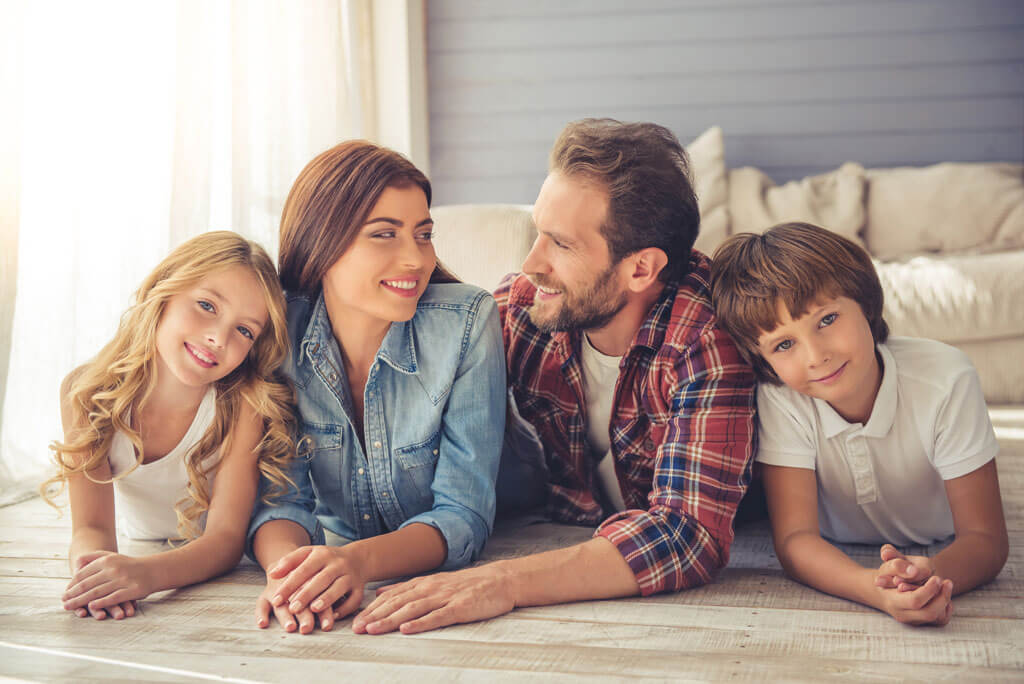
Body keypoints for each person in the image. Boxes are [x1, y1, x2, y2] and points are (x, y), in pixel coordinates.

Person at [347, 119, 757, 635]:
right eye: (537, 232)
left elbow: (686, 533)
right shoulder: (527, 307)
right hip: (561, 525)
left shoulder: (706, 338)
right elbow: (419, 352)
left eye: (560, 245)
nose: (530, 263)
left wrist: (503, 583)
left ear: (641, 269)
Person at [248, 141, 506, 634]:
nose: (415, 259)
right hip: (336, 555)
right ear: (321, 243)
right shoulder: (277, 331)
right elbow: (281, 501)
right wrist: (291, 579)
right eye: (384, 234)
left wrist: (358, 564)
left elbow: (462, 514)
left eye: (423, 234)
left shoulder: (467, 322)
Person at [709, 221, 1008, 625]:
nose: (816, 356)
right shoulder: (781, 396)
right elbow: (796, 539)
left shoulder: (946, 379)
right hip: (835, 547)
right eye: (784, 344)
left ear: (864, 303)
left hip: (939, 540)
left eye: (827, 320)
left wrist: (929, 577)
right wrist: (875, 590)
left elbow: (986, 540)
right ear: (765, 361)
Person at [45, 231, 297, 621]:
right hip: (138, 547)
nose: (217, 337)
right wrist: (94, 573)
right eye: (206, 306)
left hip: (197, 567)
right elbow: (91, 527)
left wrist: (145, 575)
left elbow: (225, 542)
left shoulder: (244, 403)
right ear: (164, 290)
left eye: (244, 330)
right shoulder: (85, 393)